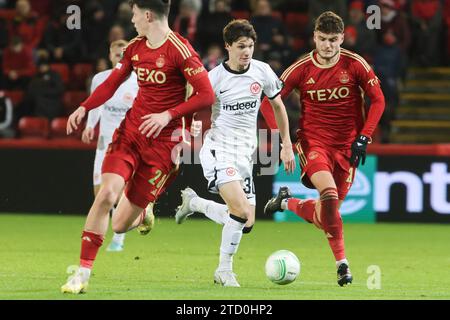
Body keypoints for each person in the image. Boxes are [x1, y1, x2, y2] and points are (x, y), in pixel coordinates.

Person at [61, 0, 215, 294]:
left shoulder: (181, 51)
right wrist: (84, 107)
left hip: (162, 148)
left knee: (120, 225)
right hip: (130, 135)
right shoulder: (135, 47)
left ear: (147, 15)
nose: (131, 20)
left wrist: (168, 115)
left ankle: (143, 213)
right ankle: (81, 274)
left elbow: (206, 94)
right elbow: (112, 83)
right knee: (106, 194)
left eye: (133, 15)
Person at [261, 11, 385, 287]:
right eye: (322, 39)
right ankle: (342, 264)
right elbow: (269, 103)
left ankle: (286, 202)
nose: (327, 45)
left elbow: (378, 101)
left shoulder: (355, 65)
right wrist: (283, 142)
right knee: (327, 193)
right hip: (313, 143)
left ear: (342, 38)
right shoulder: (301, 69)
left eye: (333, 40)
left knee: (326, 215)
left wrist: (364, 137)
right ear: (314, 37)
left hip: (347, 148)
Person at [174, 19, 295, 287]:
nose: (246, 51)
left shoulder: (262, 71)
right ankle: (224, 270)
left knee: (247, 222)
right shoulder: (215, 78)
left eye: (250, 46)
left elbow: (278, 107)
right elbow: (190, 98)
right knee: (239, 212)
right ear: (228, 46)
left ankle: (193, 203)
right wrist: (191, 121)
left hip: (245, 154)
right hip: (219, 150)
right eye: (241, 46)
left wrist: (286, 143)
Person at [81, 39, 145, 252]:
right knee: (101, 196)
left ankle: (118, 238)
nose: (120, 58)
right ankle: (108, 237)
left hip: (126, 146)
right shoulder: (101, 78)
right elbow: (96, 104)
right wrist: (90, 126)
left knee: (117, 195)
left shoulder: (139, 82)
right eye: (116, 54)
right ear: (110, 55)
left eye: (123, 54)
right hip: (103, 145)